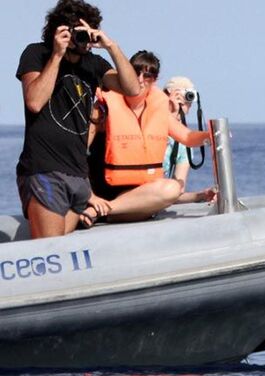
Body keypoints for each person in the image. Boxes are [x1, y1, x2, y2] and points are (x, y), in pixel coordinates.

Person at [15, 0, 139, 239]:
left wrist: (111, 47)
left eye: (87, 32)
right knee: (50, 246)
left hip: (80, 176)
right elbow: (34, 101)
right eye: (78, 32)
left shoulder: (94, 64)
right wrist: (57, 55)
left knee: (61, 242)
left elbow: (132, 89)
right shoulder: (37, 53)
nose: (84, 39)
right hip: (45, 170)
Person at [82, 51, 211, 225]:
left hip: (136, 199)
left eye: (148, 75)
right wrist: (89, 195)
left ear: (154, 80)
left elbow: (188, 137)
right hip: (101, 191)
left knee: (172, 188)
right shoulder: (104, 107)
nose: (140, 80)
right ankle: (98, 207)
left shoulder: (159, 108)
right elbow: (79, 150)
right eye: (135, 73)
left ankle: (103, 210)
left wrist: (212, 135)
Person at [162, 76, 216, 204]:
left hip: (154, 200)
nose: (181, 104)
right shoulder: (147, 122)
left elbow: (176, 193)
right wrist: (169, 113)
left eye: (188, 99)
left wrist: (202, 195)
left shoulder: (184, 144)